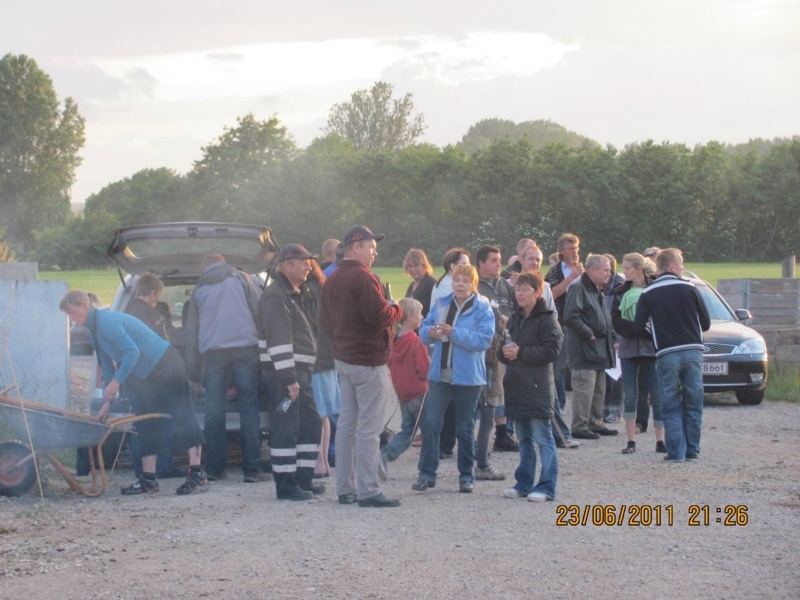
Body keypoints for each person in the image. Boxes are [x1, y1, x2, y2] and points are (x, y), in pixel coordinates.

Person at [60, 290, 206, 495]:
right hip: (143, 373)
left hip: (165, 362)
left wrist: (117, 382)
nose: (71, 318)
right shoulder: (93, 332)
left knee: (182, 415)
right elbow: (107, 366)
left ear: (84, 305)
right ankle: (148, 480)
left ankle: (196, 473)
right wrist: (107, 402)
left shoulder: (106, 321)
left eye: (72, 312)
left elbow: (132, 352)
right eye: (68, 314)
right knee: (145, 422)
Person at [319, 225, 403, 508]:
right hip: (368, 362)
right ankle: (368, 490)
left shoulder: (331, 278)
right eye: (371, 246)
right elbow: (380, 316)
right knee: (369, 428)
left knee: (346, 425)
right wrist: (398, 309)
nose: (374, 252)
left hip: (344, 360)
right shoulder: (364, 277)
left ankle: (345, 488)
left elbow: (324, 323)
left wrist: (343, 341)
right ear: (356, 247)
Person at [413, 264, 495, 494]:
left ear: (474, 285)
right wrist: (429, 333)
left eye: (465, 281)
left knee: (464, 428)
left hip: (469, 378)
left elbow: (483, 340)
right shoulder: (441, 303)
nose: (460, 284)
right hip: (440, 375)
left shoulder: (482, 308)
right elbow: (424, 329)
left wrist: (454, 333)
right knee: (430, 423)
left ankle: (466, 476)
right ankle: (426, 474)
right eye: (457, 280)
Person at [185, 254, 266, 483]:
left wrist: (193, 371)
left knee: (214, 409)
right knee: (248, 407)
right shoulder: (242, 279)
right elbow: (259, 312)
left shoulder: (199, 289)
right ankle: (252, 470)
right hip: (245, 349)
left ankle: (214, 469)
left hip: (214, 354)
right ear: (223, 262)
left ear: (204, 267)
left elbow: (192, 332)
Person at [258, 244, 324, 501]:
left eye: (309, 261)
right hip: (285, 375)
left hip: (301, 372)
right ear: (288, 265)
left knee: (310, 424)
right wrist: (289, 379)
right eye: (303, 261)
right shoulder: (276, 297)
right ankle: (286, 486)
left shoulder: (297, 293)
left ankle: (303, 480)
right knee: (286, 429)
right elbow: (279, 340)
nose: (309, 266)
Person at [634, 248, 710, 461]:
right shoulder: (690, 288)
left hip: (666, 353)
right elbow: (705, 322)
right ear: (673, 266)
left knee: (670, 403)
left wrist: (656, 337)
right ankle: (692, 449)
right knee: (694, 401)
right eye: (681, 264)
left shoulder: (648, 293)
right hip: (693, 351)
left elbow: (638, 326)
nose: (683, 268)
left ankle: (676, 451)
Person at [499, 271, 562, 501]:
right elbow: (504, 348)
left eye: (525, 289)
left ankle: (546, 486)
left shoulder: (547, 319)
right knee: (524, 440)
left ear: (537, 292)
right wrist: (504, 352)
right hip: (517, 385)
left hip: (537, 386)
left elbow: (553, 350)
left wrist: (521, 352)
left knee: (544, 438)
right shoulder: (515, 318)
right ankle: (523, 483)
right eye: (517, 289)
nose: (520, 293)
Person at [520, 244, 579, 449]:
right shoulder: (513, 285)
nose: (535, 263)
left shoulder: (544, 286)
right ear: (521, 260)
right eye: (531, 259)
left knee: (549, 389)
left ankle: (559, 435)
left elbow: (552, 315)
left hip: (542, 347)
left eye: (538, 259)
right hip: (522, 348)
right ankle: (515, 434)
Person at [611, 253, 666, 455]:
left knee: (657, 395)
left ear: (638, 269)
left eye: (627, 268)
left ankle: (660, 440)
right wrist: (635, 328)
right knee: (630, 395)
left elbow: (661, 316)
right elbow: (615, 320)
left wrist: (644, 330)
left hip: (651, 348)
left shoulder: (655, 289)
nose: (624, 272)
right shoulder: (619, 292)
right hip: (628, 348)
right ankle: (631, 440)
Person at [125, 274, 177, 479]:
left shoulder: (127, 311)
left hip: (134, 376)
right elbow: (155, 347)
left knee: (141, 423)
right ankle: (162, 467)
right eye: (158, 295)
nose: (158, 300)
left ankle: (143, 470)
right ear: (153, 292)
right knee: (160, 420)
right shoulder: (148, 313)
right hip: (150, 377)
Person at [563, 254, 618, 439]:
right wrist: (589, 334)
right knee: (584, 390)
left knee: (598, 390)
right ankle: (579, 426)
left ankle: (595, 422)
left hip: (599, 350)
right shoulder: (578, 288)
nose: (609, 273)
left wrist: (610, 336)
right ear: (593, 270)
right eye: (606, 270)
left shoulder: (596, 290)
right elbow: (571, 316)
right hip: (585, 351)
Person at [379, 298, 430, 479]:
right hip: (419, 392)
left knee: (407, 430)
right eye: (419, 314)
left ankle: (384, 455)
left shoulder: (394, 342)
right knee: (428, 432)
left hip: (403, 393)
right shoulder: (416, 342)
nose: (421, 317)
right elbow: (424, 369)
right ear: (409, 318)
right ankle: (425, 469)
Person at [475, 244, 518, 453]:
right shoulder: (475, 285)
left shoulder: (505, 285)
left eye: (499, 260)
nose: (498, 264)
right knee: (485, 393)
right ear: (481, 263)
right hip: (486, 348)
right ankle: (478, 437)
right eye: (493, 260)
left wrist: (513, 324)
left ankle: (502, 434)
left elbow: (516, 309)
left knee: (503, 389)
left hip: (507, 344)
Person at [429, 247, 470, 458]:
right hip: (450, 352)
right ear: (453, 266)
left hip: (443, 346)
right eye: (464, 263)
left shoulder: (440, 282)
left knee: (443, 407)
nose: (468, 267)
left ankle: (442, 445)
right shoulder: (447, 287)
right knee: (451, 405)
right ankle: (445, 445)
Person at [545, 233, 585, 414]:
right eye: (571, 249)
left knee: (583, 368)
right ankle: (559, 406)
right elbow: (552, 294)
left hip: (583, 323)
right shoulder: (555, 272)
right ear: (561, 251)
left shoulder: (584, 270)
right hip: (563, 324)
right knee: (559, 367)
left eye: (576, 248)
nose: (575, 252)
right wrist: (570, 278)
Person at [306, 260, 338, 479]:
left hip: (315, 359)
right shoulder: (324, 288)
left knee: (316, 413)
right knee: (324, 414)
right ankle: (323, 461)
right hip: (329, 358)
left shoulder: (306, 292)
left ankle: (318, 462)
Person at [602, 253, 626, 424]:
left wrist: (619, 339)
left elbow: (621, 315)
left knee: (616, 377)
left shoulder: (619, 288)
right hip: (603, 336)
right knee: (604, 376)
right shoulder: (599, 287)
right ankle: (604, 409)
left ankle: (615, 410)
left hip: (616, 336)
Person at [403, 248, 437, 318]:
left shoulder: (430, 283)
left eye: (416, 266)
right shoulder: (411, 286)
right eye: (410, 266)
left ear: (424, 266)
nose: (413, 269)